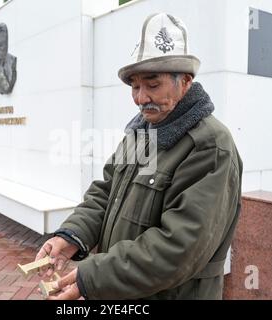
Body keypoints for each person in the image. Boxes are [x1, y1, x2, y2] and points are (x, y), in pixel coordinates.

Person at [36, 13, 243, 300]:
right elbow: (106, 193)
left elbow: (180, 247)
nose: (140, 98)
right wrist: (72, 235)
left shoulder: (210, 144)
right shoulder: (143, 132)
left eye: (153, 84)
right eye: (135, 86)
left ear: (185, 82)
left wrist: (95, 276)